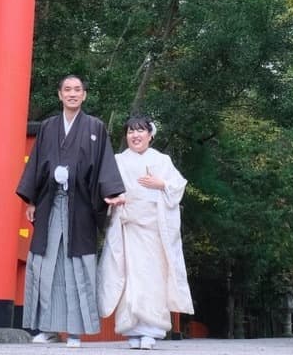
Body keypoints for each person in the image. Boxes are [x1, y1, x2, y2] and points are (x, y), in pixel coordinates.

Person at [17, 75, 126, 348]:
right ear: (60, 95)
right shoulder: (48, 127)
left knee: (76, 266)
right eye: (67, 89)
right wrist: (30, 201)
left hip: (80, 205)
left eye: (77, 90)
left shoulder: (95, 127)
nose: (72, 94)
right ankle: (46, 328)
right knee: (45, 263)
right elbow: (36, 163)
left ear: (84, 95)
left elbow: (105, 164)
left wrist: (111, 192)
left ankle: (75, 331)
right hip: (50, 202)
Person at [97, 116, 193, 350]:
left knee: (152, 279)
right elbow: (105, 188)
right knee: (128, 278)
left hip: (153, 231)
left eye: (141, 131)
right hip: (127, 228)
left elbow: (178, 185)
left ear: (151, 135)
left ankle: (151, 330)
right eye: (131, 131)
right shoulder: (117, 160)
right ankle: (131, 329)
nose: (135, 135)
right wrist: (113, 200)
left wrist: (162, 184)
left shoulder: (162, 160)